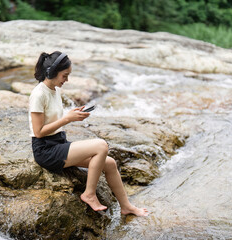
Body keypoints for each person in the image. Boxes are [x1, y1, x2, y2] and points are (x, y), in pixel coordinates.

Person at [29, 51, 148, 216]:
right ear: (52, 72)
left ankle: (126, 206)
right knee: (101, 145)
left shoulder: (54, 90)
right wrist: (67, 119)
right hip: (45, 150)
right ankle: (89, 194)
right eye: (65, 75)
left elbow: (52, 120)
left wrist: (71, 114)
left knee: (111, 163)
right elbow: (38, 132)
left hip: (58, 143)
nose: (67, 80)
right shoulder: (38, 94)